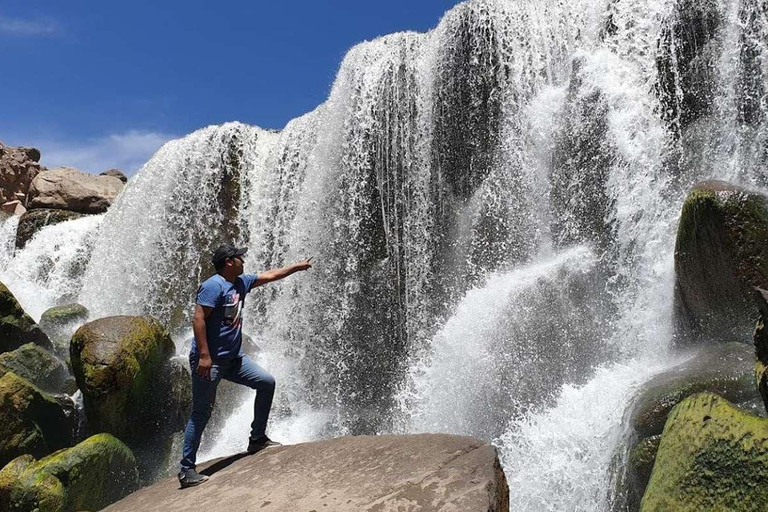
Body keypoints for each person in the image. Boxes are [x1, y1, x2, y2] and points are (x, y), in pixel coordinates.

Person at [178, 243, 312, 488]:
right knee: (201, 413)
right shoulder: (212, 286)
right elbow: (198, 319)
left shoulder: (241, 283)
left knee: (266, 382)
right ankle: (187, 469)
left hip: (234, 359)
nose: (243, 260)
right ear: (229, 262)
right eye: (239, 257)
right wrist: (205, 356)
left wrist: (296, 267)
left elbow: (271, 275)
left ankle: (257, 438)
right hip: (211, 361)